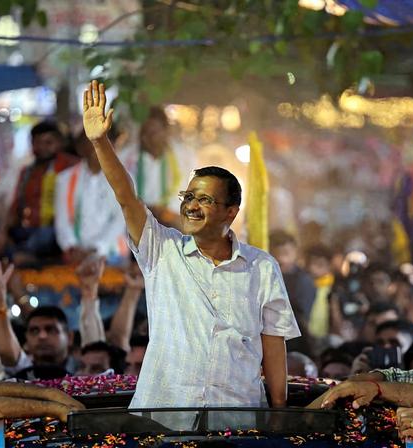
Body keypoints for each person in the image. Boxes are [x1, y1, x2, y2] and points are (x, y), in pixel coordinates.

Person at [82, 80, 300, 408]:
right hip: (163, 422)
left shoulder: (262, 266)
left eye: (204, 199)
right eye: (188, 197)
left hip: (238, 421)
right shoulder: (162, 250)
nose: (191, 206)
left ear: (231, 211)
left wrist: (280, 412)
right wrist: (100, 142)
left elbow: (273, 345)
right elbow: (127, 198)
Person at [0, 261, 105, 378]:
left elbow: (94, 348)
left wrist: (89, 294)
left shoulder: (84, 368)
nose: (42, 336)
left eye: (51, 330)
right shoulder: (24, 370)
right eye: (34, 331)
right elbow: (8, 353)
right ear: (26, 338)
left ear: (69, 337)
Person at [0, 121, 79, 262]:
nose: (42, 147)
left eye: (48, 142)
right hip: (27, 229)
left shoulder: (72, 168)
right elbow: (15, 207)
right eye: (38, 142)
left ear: (60, 143)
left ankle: (21, 255)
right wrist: (2, 232)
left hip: (54, 231)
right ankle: (20, 254)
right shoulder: (26, 172)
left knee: (46, 236)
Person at [54, 129, 126, 260]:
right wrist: (72, 247)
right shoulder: (64, 179)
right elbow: (62, 222)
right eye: (92, 141)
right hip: (76, 255)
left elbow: (120, 221)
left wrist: (98, 248)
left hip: (112, 254)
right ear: (81, 148)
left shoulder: (124, 180)